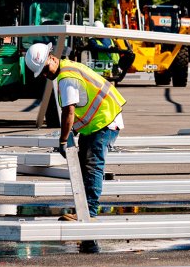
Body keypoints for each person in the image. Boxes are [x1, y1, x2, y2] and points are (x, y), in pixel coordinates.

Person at [25, 42, 125, 220]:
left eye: (46, 69)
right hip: (99, 122)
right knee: (84, 164)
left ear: (53, 58)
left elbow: (68, 111)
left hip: (105, 120)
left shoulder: (66, 77)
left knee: (92, 165)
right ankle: (83, 209)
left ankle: (90, 212)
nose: (47, 75)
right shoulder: (67, 70)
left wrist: (63, 140)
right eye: (43, 73)